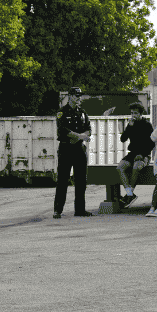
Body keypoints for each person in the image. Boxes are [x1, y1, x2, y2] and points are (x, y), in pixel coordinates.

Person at [53, 87, 92, 219]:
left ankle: (80, 210)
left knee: (81, 180)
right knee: (63, 180)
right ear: (69, 96)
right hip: (66, 148)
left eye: (80, 96)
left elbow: (88, 129)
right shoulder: (62, 112)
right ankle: (57, 210)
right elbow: (63, 130)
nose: (78, 98)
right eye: (76, 95)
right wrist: (79, 136)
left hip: (79, 149)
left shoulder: (82, 112)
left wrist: (81, 136)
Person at [117, 101, 154, 206]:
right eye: (132, 113)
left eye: (136, 113)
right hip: (133, 153)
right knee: (120, 168)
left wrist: (143, 155)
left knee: (136, 167)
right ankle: (130, 194)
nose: (133, 115)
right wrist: (129, 126)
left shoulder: (147, 125)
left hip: (144, 154)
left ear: (141, 114)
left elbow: (151, 144)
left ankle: (129, 195)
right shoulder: (131, 125)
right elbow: (123, 139)